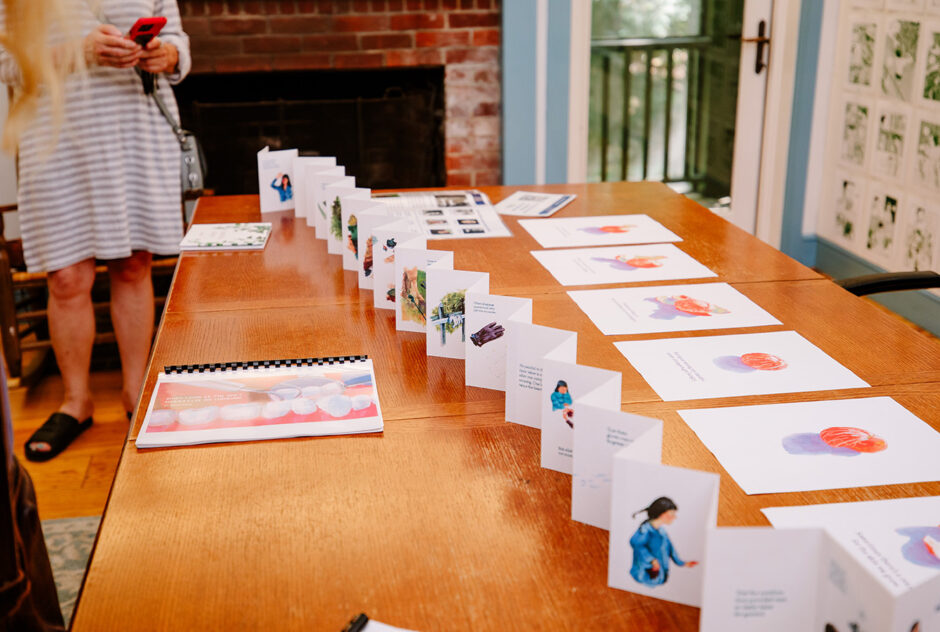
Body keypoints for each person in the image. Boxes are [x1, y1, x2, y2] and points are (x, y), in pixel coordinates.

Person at [0, 0, 192, 461]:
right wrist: (80, 51)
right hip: (56, 137)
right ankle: (76, 401)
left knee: (134, 263)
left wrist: (166, 55)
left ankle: (135, 393)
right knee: (66, 276)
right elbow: (9, 65)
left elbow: (180, 45)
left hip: (136, 129)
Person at [628, 496, 698, 587]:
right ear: (662, 514)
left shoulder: (662, 532)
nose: (674, 517)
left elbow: (671, 549)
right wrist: (652, 560)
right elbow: (636, 543)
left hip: (660, 576)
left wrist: (683, 563)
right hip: (645, 575)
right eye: (672, 514)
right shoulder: (645, 530)